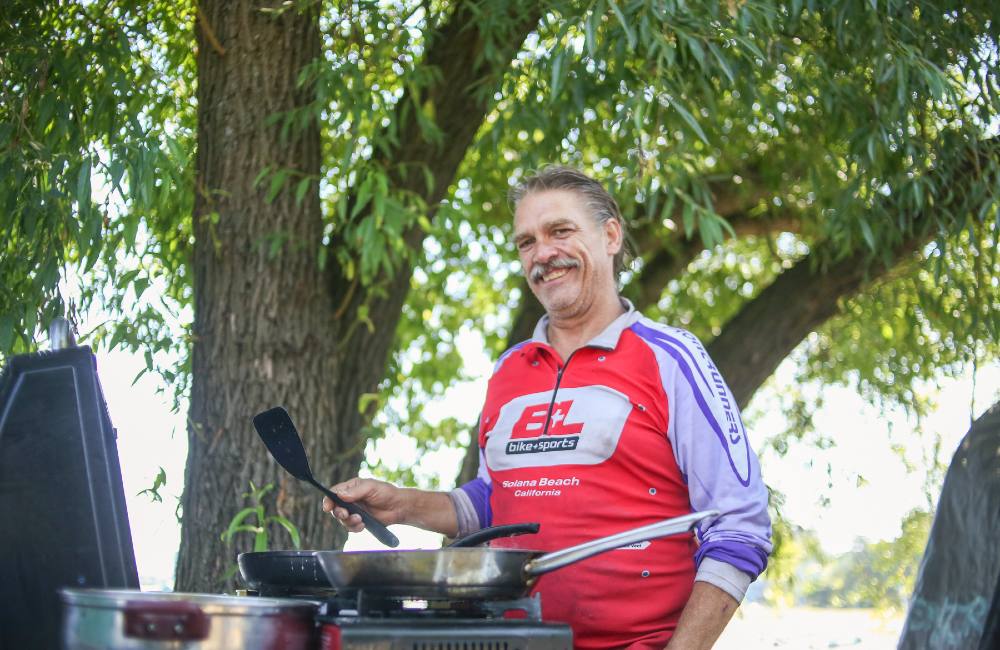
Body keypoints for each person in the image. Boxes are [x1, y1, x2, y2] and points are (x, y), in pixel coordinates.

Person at [324, 166, 772, 649]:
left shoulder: (671, 358)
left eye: (560, 230)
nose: (543, 253)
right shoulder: (507, 371)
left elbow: (739, 525)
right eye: (526, 242)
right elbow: (495, 501)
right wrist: (402, 504)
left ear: (611, 235)